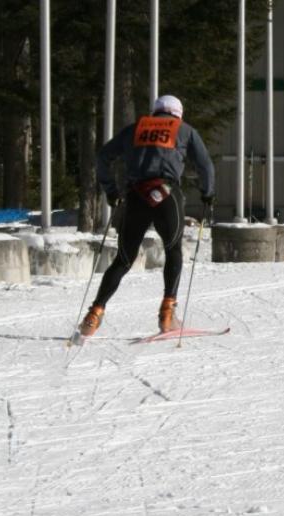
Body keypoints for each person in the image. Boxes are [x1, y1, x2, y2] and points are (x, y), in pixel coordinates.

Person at [78, 95, 215, 337]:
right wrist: (207, 194)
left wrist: (111, 191)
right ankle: (167, 314)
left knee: (123, 259)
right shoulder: (184, 130)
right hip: (167, 195)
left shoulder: (135, 129)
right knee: (173, 250)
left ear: (155, 111)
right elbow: (205, 165)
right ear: (178, 114)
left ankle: (94, 313)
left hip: (136, 197)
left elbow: (103, 157)